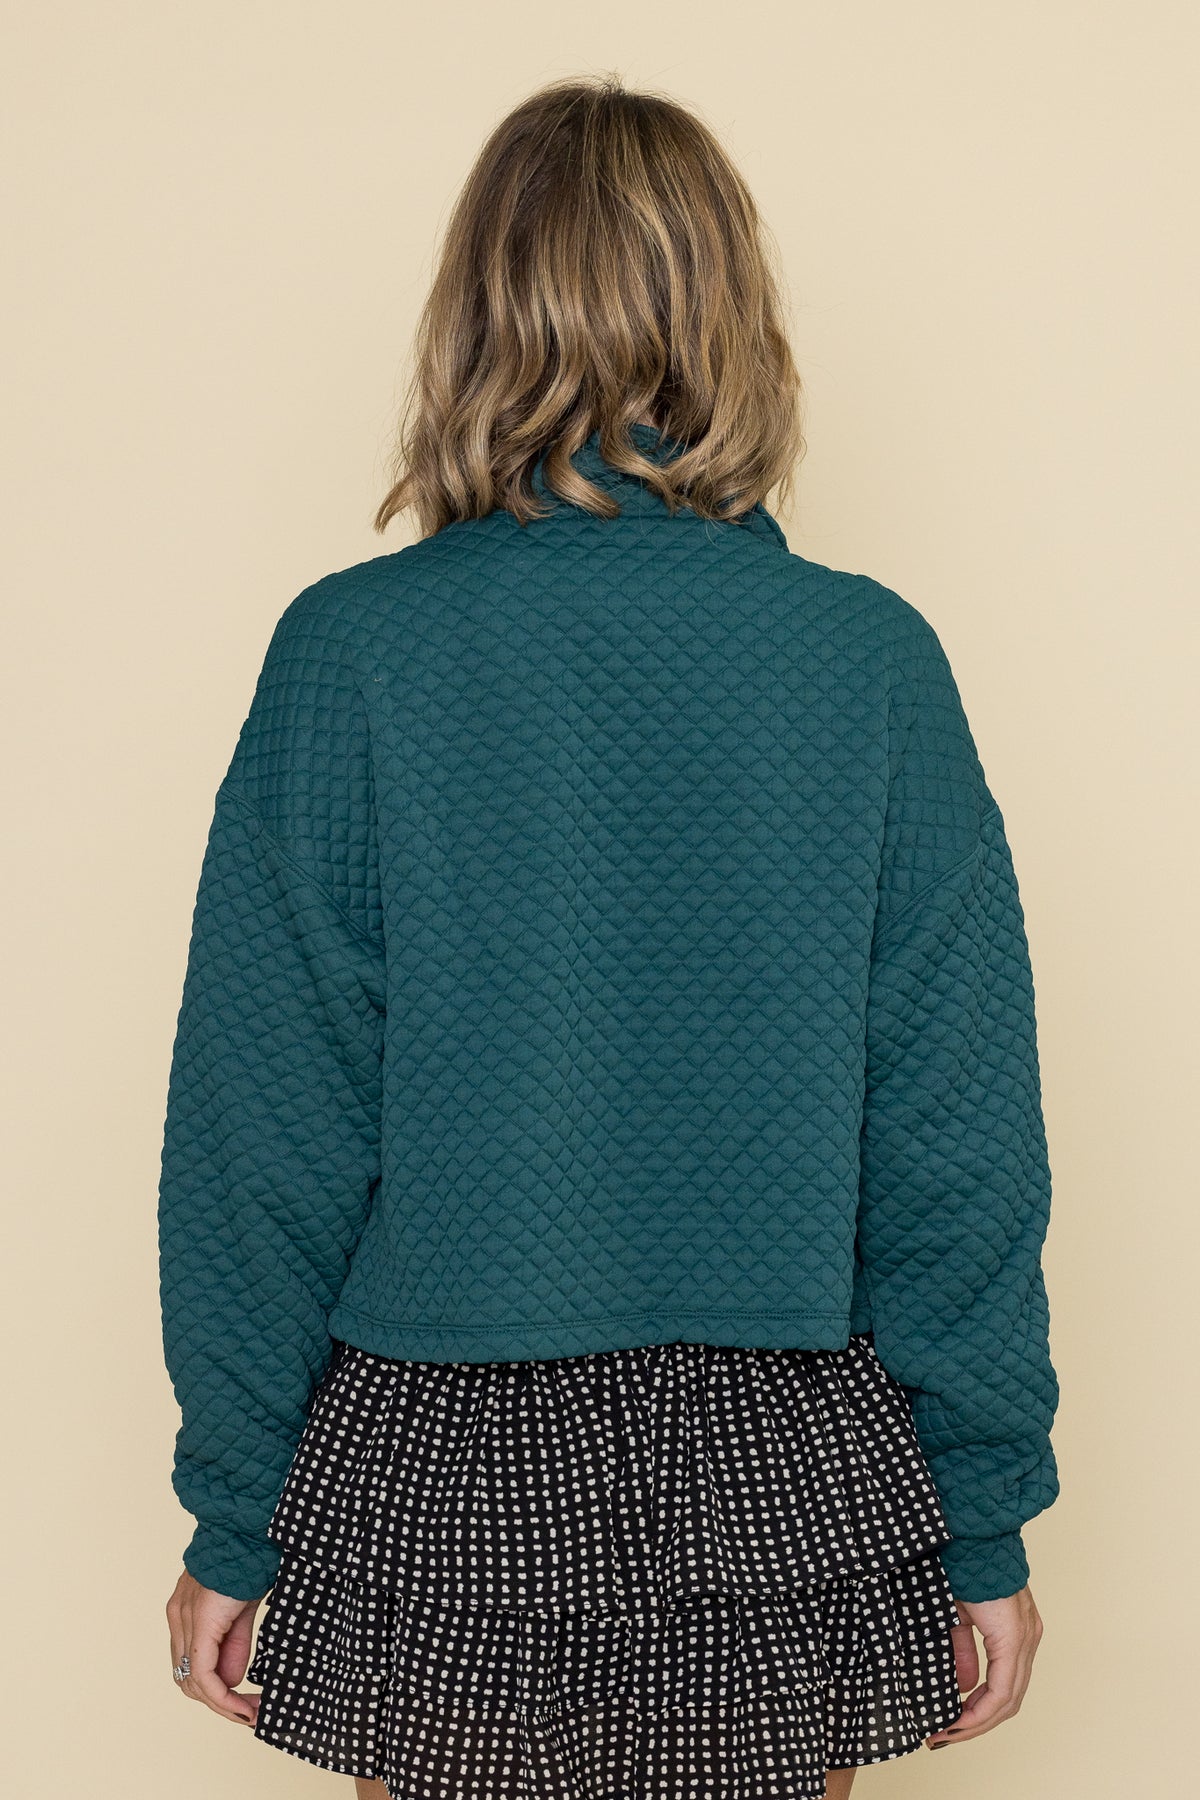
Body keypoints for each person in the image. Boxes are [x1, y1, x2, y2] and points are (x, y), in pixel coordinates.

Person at [158, 73, 1059, 1800]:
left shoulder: (355, 654)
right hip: (788, 1442)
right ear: (734, 321)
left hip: (441, 1444)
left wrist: (237, 1510)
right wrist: (984, 1509)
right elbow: (955, 1133)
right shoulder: (870, 661)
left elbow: (263, 1132)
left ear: (477, 318)